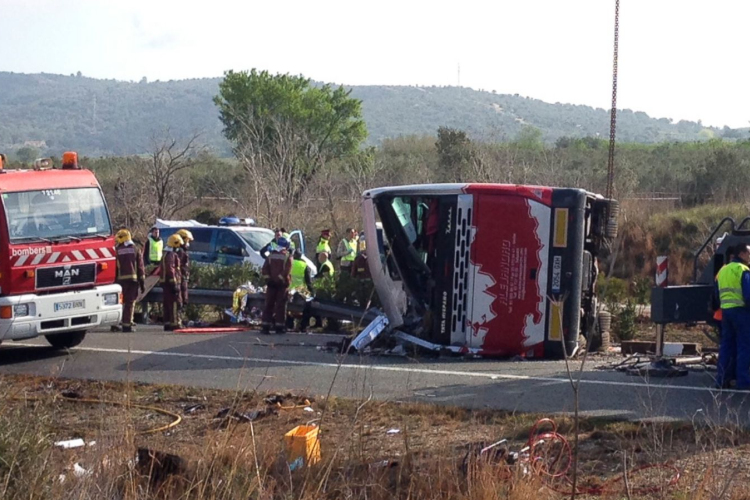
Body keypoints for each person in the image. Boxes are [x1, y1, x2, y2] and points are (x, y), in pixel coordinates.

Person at [715, 243, 750, 390]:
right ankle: (743, 381)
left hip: (726, 312)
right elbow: (748, 295)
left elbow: (716, 295)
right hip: (741, 312)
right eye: (749, 253)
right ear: (741, 254)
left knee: (726, 346)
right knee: (744, 345)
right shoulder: (743, 270)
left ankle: (721, 380)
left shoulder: (723, 270)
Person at [115, 229, 145, 333]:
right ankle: (127, 324)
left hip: (119, 281)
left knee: (118, 303)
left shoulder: (116, 250)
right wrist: (142, 282)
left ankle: (115, 323)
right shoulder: (136, 249)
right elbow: (140, 267)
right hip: (132, 280)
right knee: (130, 302)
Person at [261, 237, 292, 334]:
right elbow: (286, 271)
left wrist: (269, 279)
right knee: (280, 305)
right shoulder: (287, 256)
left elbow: (264, 269)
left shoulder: (270, 255)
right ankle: (279, 326)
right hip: (282, 285)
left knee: (269, 304)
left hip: (271, 285)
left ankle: (265, 326)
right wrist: (279, 279)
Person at [160, 233, 184, 331]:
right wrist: (174, 283)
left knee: (167, 303)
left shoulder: (166, 253)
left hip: (166, 283)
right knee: (175, 303)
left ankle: (167, 323)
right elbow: (171, 270)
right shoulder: (171, 255)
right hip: (171, 284)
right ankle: (175, 323)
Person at [176, 229, 194, 309]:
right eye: (187, 240)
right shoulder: (180, 251)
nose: (188, 243)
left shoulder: (183, 251)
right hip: (181, 278)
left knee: (183, 297)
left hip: (183, 278)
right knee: (180, 299)